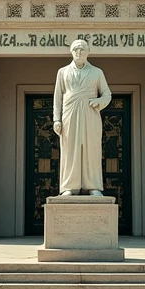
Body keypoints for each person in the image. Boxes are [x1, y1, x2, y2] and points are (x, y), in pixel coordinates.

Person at [53, 38, 111, 195]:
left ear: (88, 52)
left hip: (90, 114)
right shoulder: (62, 72)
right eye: (75, 49)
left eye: (82, 49)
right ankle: (69, 187)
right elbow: (58, 97)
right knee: (70, 150)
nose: (79, 52)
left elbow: (107, 94)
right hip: (69, 114)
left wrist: (98, 101)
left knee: (91, 149)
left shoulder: (97, 72)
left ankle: (93, 186)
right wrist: (56, 119)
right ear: (71, 52)